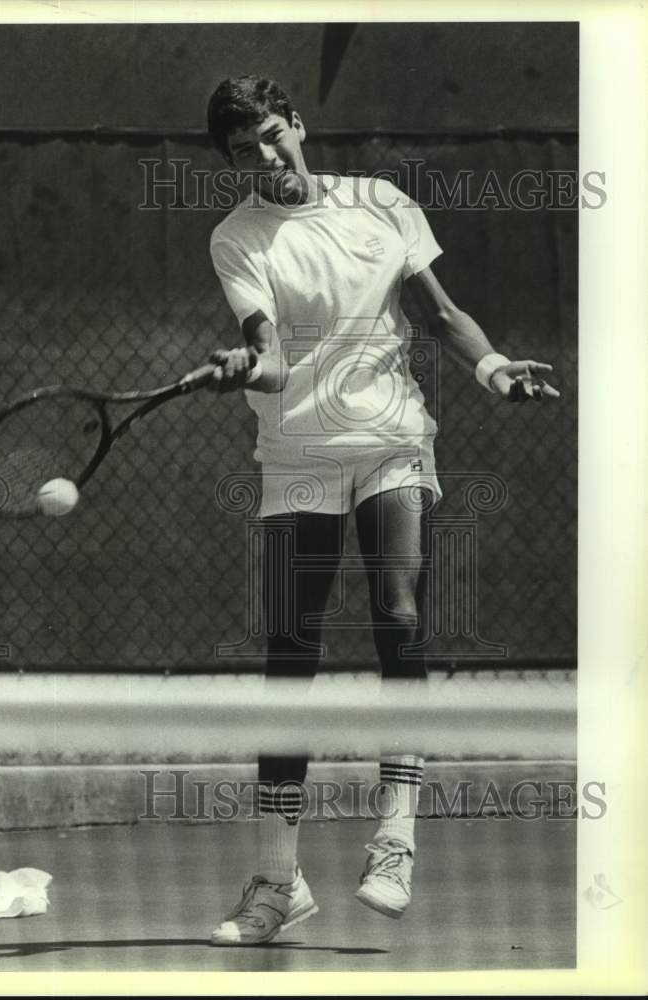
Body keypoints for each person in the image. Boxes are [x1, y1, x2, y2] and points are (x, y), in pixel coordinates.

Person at [204, 75, 559, 947]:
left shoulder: (382, 205)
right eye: (242, 150)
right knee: (289, 652)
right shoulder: (237, 238)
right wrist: (242, 367)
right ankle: (276, 880)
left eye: (271, 135)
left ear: (296, 125)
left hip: (393, 442)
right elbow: (272, 360)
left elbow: (439, 316)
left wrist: (495, 368)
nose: (263, 157)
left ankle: (395, 837)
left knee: (398, 618)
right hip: (295, 458)